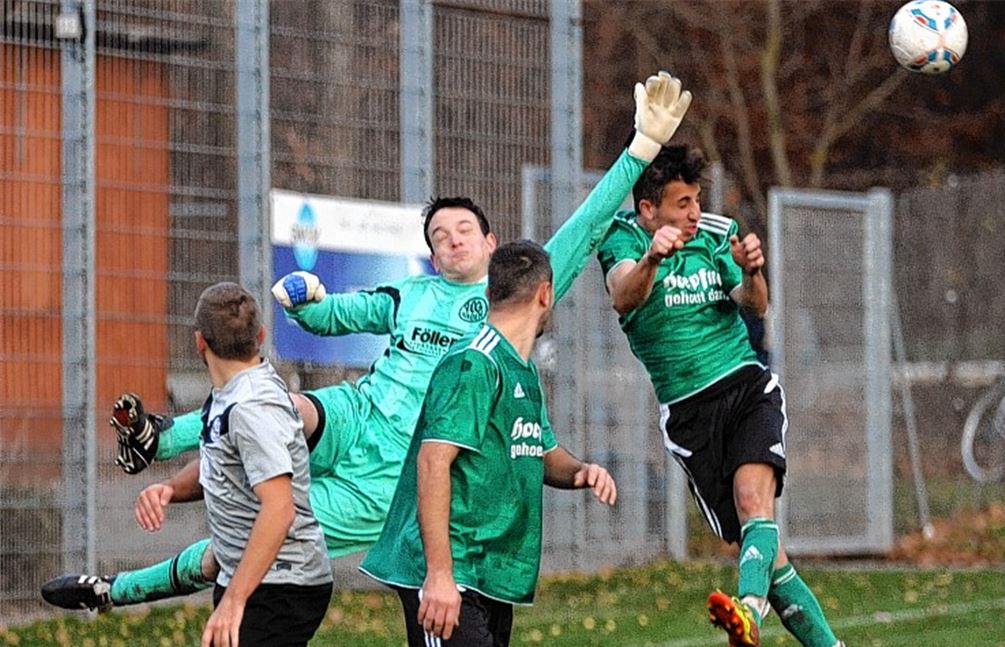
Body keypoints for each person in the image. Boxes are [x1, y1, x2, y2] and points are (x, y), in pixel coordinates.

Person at [41, 72, 692, 611]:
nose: (449, 239)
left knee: (239, 544)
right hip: (355, 414)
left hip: (389, 475)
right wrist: (309, 296)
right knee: (279, 404)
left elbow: (580, 229)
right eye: (438, 233)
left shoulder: (511, 297)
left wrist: (640, 149)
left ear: (492, 246)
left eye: (462, 228)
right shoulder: (408, 294)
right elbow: (332, 315)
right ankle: (157, 437)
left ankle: (114, 588)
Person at [595, 145, 859, 647]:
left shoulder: (717, 231)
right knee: (771, 561)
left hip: (745, 387)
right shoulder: (621, 237)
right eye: (682, 203)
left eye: (697, 200)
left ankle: (748, 614)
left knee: (752, 500)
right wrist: (653, 257)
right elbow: (624, 296)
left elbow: (755, 304)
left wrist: (752, 270)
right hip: (690, 417)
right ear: (649, 210)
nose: (695, 213)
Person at [360, 240, 617, 647]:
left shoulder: (522, 366)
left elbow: (540, 448)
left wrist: (580, 472)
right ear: (545, 294)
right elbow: (433, 461)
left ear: (489, 293)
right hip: (451, 569)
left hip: (489, 571)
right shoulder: (474, 363)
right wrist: (440, 576)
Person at [155, 282, 332, 647]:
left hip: (282, 585)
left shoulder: (252, 407)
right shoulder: (230, 392)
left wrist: (235, 599)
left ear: (199, 342)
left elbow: (279, 508)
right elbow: (221, 464)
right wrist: (169, 488)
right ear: (261, 336)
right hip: (251, 582)